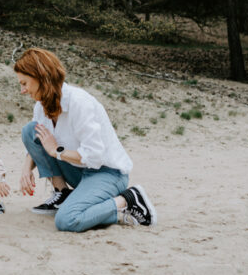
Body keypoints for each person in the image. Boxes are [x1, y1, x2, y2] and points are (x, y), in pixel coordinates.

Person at [14, 47, 156, 231]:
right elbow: (39, 140)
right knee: (30, 130)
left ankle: (128, 200)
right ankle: (62, 193)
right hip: (78, 170)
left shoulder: (79, 103)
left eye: (25, 83)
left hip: (107, 173)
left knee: (67, 220)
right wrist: (26, 169)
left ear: (40, 76)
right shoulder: (41, 106)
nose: (22, 90)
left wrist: (57, 151)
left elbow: (94, 157)